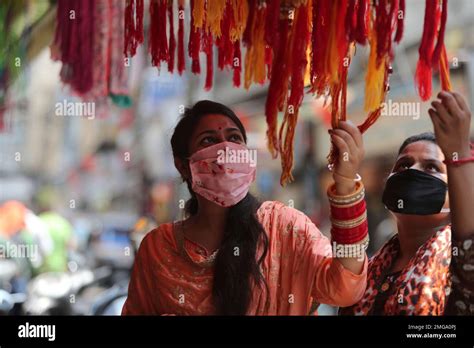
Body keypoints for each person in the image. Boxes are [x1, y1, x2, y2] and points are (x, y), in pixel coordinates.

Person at [122, 100, 369, 315]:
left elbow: (346, 287)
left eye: (234, 138)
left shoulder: (284, 227)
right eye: (208, 140)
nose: (226, 149)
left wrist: (346, 183)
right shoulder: (157, 249)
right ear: (183, 166)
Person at [341, 91, 474, 315]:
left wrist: (457, 152)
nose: (412, 171)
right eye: (403, 165)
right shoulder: (365, 270)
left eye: (431, 167)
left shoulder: (458, 263)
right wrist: (344, 179)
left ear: (457, 194)